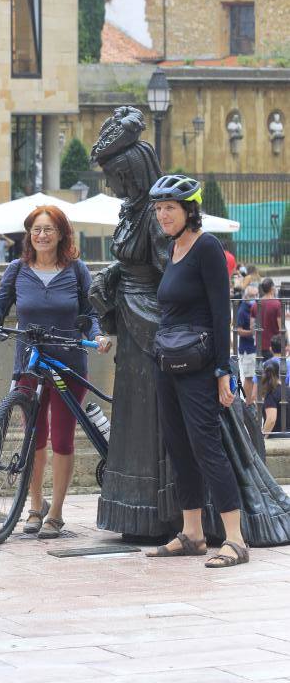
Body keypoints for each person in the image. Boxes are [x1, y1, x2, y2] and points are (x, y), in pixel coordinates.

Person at [0, 205, 111, 538]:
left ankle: (57, 513)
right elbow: (0, 301)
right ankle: (35, 506)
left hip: (68, 362)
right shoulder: (17, 269)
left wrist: (97, 336)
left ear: (61, 233)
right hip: (29, 362)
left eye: (49, 229)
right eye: (36, 229)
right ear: (28, 234)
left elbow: (89, 313)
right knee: (34, 437)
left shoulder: (76, 270)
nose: (42, 235)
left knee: (62, 439)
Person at [146, 174, 248, 568]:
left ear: (190, 209)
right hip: (168, 363)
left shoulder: (207, 248)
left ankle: (235, 539)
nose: (162, 215)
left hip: (199, 366)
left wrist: (224, 370)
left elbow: (222, 313)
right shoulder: (172, 249)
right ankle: (193, 533)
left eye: (169, 208)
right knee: (178, 445)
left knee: (206, 446)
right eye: (158, 209)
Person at [88, 106, 177, 540]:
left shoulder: (155, 218)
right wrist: (112, 277)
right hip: (132, 323)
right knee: (132, 415)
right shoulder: (131, 212)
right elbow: (131, 264)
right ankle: (134, 512)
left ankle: (156, 511)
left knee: (150, 419)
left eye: (115, 178)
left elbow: (170, 278)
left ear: (133, 174)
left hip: (150, 328)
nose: (111, 186)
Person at [237, 284, 259, 405]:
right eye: (252, 296)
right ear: (246, 296)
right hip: (247, 349)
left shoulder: (255, 308)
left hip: (254, 347)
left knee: (254, 377)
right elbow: (238, 330)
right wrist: (251, 332)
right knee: (249, 378)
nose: (254, 298)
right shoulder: (242, 310)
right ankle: (247, 405)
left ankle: (250, 403)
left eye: (256, 295)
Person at [250, 278, 282, 361]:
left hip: (259, 345)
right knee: (276, 372)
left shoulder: (255, 304)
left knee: (261, 372)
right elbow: (281, 327)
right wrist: (287, 343)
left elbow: (252, 327)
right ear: (272, 288)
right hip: (275, 347)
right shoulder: (277, 304)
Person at [262, 358, 290, 438]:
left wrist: (263, 437)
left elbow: (271, 419)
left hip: (277, 436)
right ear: (278, 373)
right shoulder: (287, 390)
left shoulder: (271, 394)